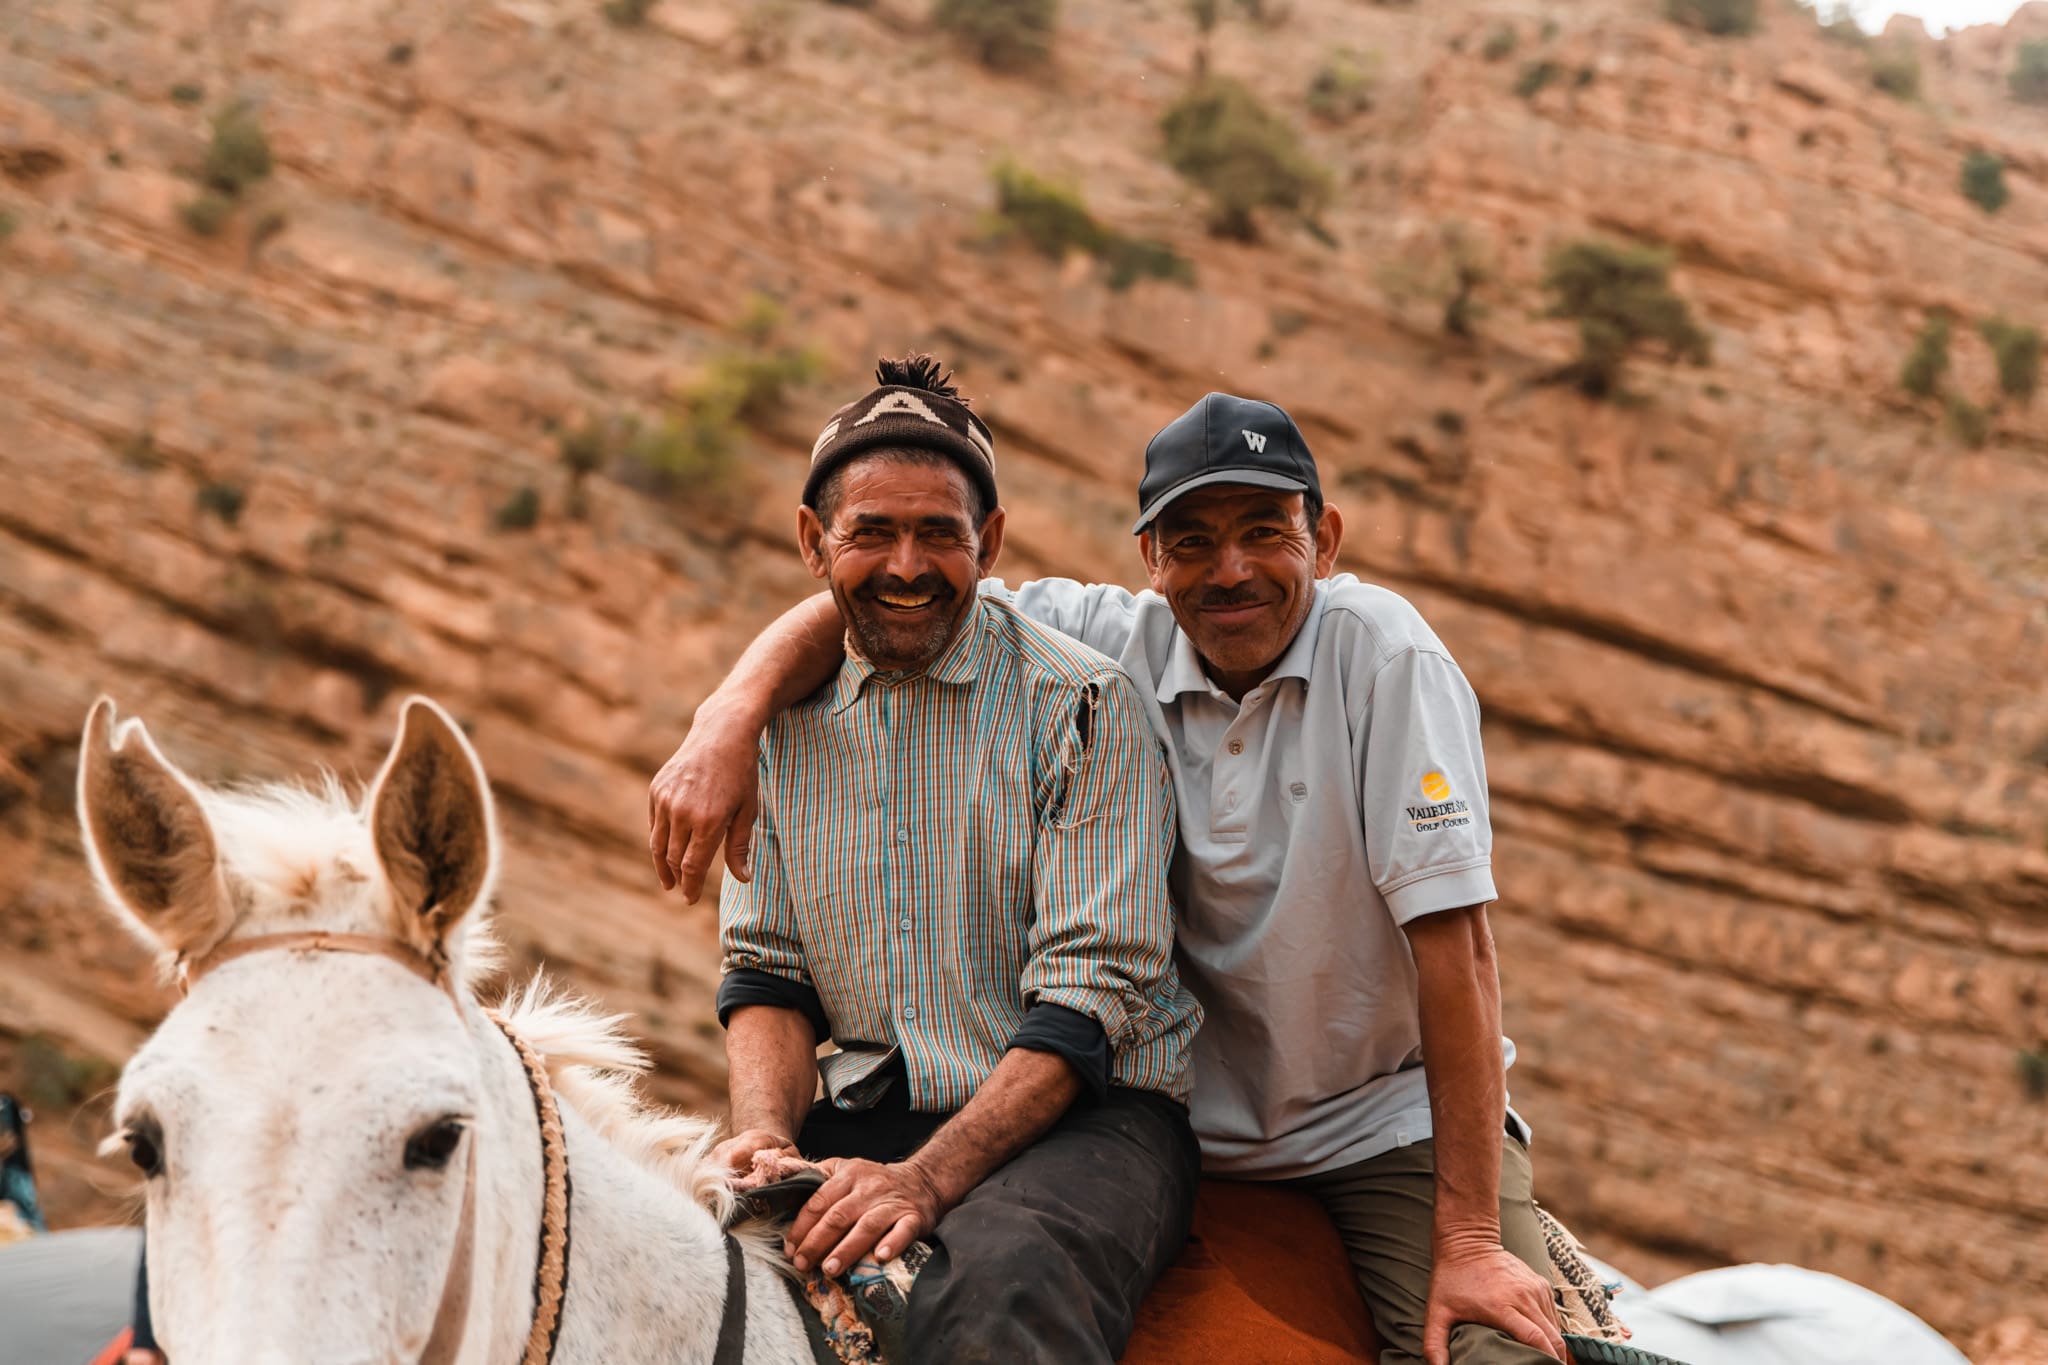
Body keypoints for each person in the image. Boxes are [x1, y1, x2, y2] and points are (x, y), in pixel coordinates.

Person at [652, 390, 1570, 1365]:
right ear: (1149, 557)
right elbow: (878, 596)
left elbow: (1458, 954)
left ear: (1325, 538)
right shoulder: (1112, 637)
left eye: (1265, 532)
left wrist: (1467, 1240)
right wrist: (731, 715)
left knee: (1491, 1351)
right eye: (1190, 542)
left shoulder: (1382, 659)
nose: (1229, 570)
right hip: (1195, 1112)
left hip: (1368, 1126)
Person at [707, 356, 1204, 1364]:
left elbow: (1082, 1009)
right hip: (866, 1107)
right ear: (814, 543)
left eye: (938, 531)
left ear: (990, 542)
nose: (905, 564)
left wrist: (922, 1184)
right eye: (871, 532)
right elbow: (766, 971)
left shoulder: (1080, 704)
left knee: (999, 1287)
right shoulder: (774, 728)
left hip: (1085, 1119)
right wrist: (764, 1130)